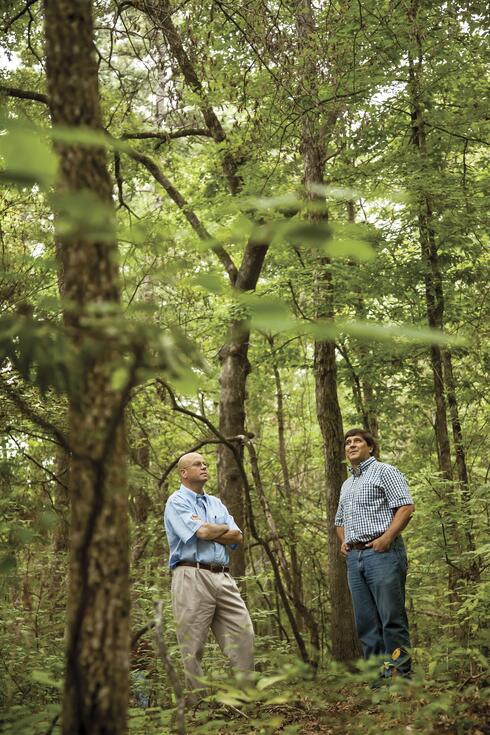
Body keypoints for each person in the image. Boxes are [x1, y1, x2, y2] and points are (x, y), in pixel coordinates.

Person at [164, 451, 254, 696]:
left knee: (243, 633)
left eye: (205, 464)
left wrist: (214, 529)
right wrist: (221, 529)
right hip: (191, 575)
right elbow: (202, 533)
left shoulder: (216, 503)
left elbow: (238, 536)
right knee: (192, 646)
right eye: (197, 464)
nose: (204, 467)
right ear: (184, 473)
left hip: (223, 576)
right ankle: (199, 707)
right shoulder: (177, 501)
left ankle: (243, 698)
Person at [334, 428, 415, 679]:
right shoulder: (347, 484)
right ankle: (379, 681)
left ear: (370, 447)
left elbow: (406, 507)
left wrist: (386, 538)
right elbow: (339, 521)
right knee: (367, 624)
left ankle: (402, 676)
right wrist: (343, 541)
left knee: (391, 618)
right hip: (355, 560)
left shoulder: (385, 471)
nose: (351, 445)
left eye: (357, 441)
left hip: (383, 555)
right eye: (348, 442)